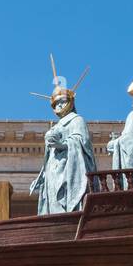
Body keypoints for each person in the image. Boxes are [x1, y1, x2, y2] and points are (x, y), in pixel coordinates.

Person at [28, 56, 95, 215]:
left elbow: (81, 141)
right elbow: (48, 157)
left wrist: (62, 145)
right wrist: (42, 176)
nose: (59, 105)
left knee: (64, 201)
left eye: (62, 102)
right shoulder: (56, 126)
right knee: (53, 203)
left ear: (70, 102)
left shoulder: (76, 120)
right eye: (56, 103)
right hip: (53, 170)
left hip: (69, 168)